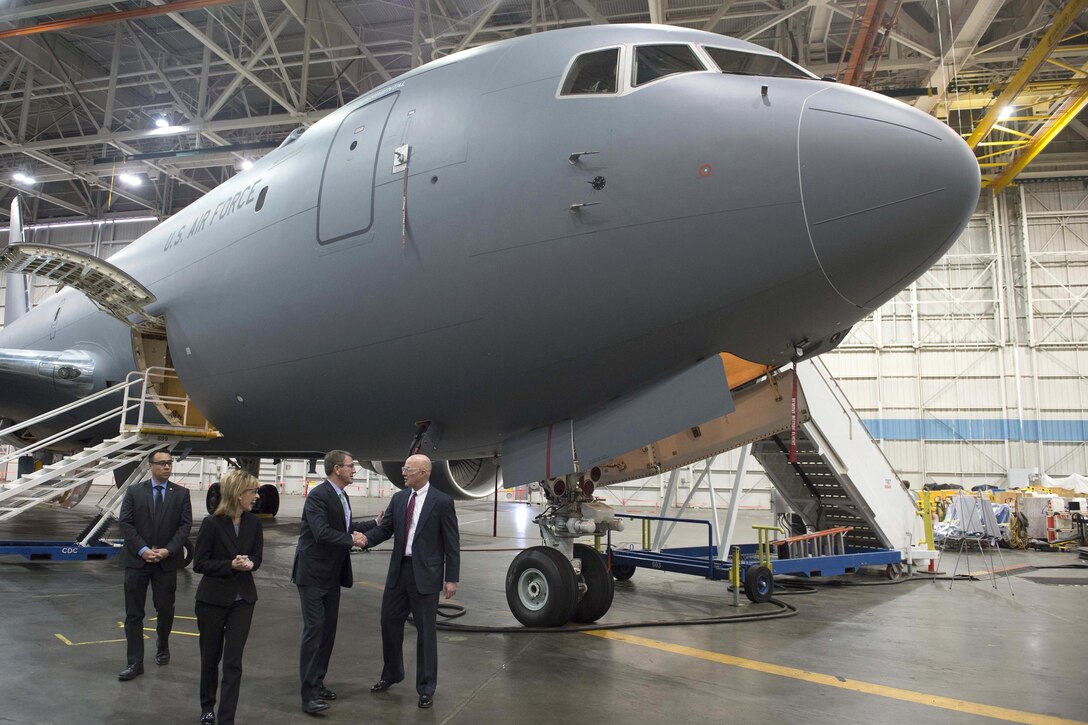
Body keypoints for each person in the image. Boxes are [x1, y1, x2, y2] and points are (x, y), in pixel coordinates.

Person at [363, 454, 460, 710]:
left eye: (408, 469)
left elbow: (452, 543)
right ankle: (392, 673)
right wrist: (364, 540)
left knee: (425, 633)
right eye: (404, 468)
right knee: (388, 622)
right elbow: (385, 530)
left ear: (424, 473)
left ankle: (426, 687)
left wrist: (451, 578)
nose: (403, 472)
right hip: (399, 571)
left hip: (426, 575)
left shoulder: (442, 501)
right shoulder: (399, 498)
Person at [292, 450, 381, 714]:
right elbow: (322, 533)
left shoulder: (340, 496)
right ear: (335, 469)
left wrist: (372, 524)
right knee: (314, 632)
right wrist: (354, 540)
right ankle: (308, 696)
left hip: (331, 575)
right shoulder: (319, 495)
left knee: (327, 633)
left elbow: (344, 525)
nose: (355, 470)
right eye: (350, 466)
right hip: (312, 575)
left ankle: (317, 682)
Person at [193, 470, 264, 725]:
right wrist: (229, 565)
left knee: (233, 662)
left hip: (243, 600)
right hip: (212, 600)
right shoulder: (212, 523)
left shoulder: (254, 523)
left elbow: (258, 556)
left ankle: (227, 718)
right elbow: (199, 563)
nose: (255, 497)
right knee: (210, 658)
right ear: (238, 493)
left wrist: (250, 563)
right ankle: (207, 707)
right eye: (252, 492)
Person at [117, 448, 193, 681]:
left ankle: (162, 645)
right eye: (162, 464)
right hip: (137, 561)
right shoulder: (133, 492)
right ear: (150, 466)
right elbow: (126, 524)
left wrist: (168, 550)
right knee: (134, 614)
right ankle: (135, 662)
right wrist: (143, 550)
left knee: (165, 608)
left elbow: (185, 526)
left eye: (170, 463)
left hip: (166, 562)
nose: (167, 467)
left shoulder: (181, 494)